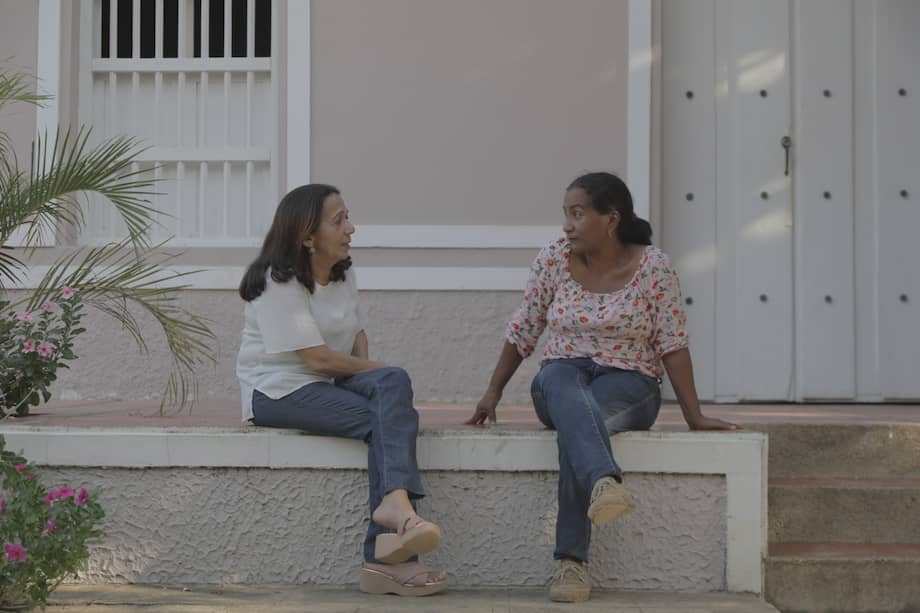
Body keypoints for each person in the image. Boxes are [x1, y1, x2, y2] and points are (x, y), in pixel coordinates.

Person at [467, 172, 736, 603]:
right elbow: (525, 328)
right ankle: (604, 480)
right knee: (558, 378)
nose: (566, 226)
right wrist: (493, 391)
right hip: (561, 378)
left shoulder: (655, 267)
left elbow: (672, 343)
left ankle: (571, 566)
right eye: (565, 215)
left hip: (631, 384)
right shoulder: (554, 258)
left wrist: (694, 415)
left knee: (579, 423)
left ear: (611, 220)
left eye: (577, 214)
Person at [237, 184, 447, 597]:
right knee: (390, 414)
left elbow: (356, 337)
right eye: (339, 221)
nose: (351, 228)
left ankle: (395, 511)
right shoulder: (276, 279)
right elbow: (316, 359)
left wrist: (376, 379)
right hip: (278, 390)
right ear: (307, 236)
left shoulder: (343, 271)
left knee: (391, 394)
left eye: (348, 216)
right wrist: (381, 375)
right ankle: (390, 557)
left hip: (326, 384)